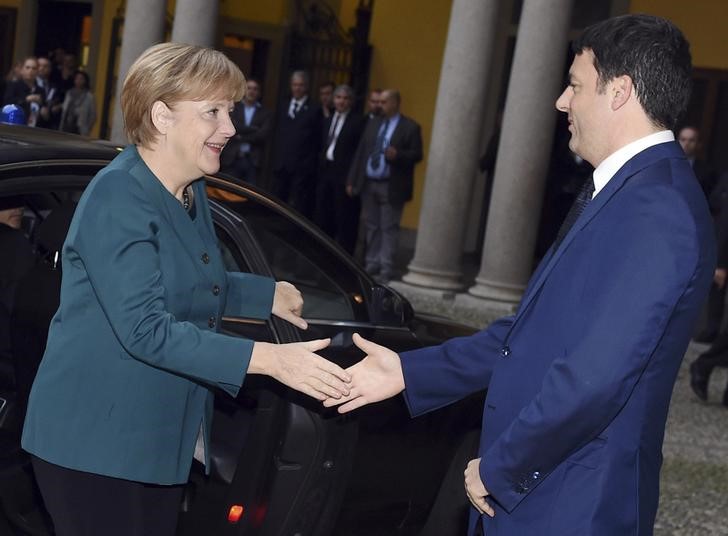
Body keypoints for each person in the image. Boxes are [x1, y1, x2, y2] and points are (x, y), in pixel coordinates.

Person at [326, 14, 715, 536]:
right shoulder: (626, 190)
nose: (561, 101)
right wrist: (408, 372)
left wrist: (501, 466)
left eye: (575, 85)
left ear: (619, 91)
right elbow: (530, 335)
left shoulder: (657, 205)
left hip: (573, 504)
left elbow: (595, 377)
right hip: (550, 495)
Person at [21, 43, 351, 536]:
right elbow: (146, 329)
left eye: (231, 111)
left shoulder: (188, 189)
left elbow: (190, 283)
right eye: (213, 112)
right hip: (94, 444)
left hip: (154, 442)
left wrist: (266, 295)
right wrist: (270, 359)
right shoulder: (120, 196)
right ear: (161, 116)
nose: (231, 128)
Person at [346, 89, 423, 283]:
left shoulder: (410, 127)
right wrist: (353, 179)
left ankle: (386, 265)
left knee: (389, 226)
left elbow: (417, 154)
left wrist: (398, 155)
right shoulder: (374, 123)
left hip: (392, 185)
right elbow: (362, 151)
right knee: (371, 224)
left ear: (395, 103)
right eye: (378, 102)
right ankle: (372, 262)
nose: (379, 105)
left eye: (384, 102)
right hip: (370, 182)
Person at [314, 84, 365, 253]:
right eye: (338, 98)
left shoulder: (358, 122)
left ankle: (343, 256)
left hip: (344, 176)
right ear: (333, 99)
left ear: (351, 101)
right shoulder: (327, 120)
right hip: (326, 172)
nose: (341, 101)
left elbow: (360, 152)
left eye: (345, 98)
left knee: (343, 218)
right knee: (323, 214)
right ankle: (323, 254)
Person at [273, 70, 321, 218]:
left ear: (306, 87)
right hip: (282, 165)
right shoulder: (283, 105)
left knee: (297, 207)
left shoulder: (314, 109)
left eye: (301, 85)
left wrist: (307, 166)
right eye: (294, 85)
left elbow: (317, 141)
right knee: (277, 204)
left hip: (301, 168)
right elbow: (277, 134)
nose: (297, 88)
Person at [219, 77, 272, 187]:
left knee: (250, 196)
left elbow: (262, 135)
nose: (252, 91)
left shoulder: (265, 112)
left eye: (255, 89)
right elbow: (234, 127)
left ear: (259, 93)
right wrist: (253, 129)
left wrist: (241, 137)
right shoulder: (233, 108)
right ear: (244, 90)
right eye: (249, 88)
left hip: (252, 160)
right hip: (232, 159)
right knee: (228, 192)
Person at [2, 57, 43, 126]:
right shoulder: (13, 85)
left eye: (34, 68)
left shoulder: (41, 90)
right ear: (22, 70)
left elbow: (44, 110)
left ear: (38, 71)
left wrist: (44, 108)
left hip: (35, 128)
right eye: (27, 67)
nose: (30, 71)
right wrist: (26, 99)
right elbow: (7, 103)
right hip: (15, 125)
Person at [677, 125, 715, 198]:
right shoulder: (664, 165)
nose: (687, 144)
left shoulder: (707, 171)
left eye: (691, 140)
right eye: (683, 139)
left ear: (699, 144)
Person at [59, 70, 96, 136]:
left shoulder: (89, 96)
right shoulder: (69, 93)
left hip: (80, 129)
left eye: (81, 79)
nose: (78, 81)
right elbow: (64, 109)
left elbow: (92, 115)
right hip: (66, 126)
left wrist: (87, 128)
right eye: (77, 78)